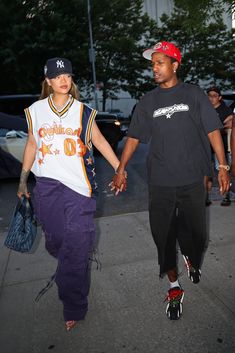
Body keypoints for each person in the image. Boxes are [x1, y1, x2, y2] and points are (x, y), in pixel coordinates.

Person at [111, 41, 230, 320]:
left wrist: (222, 165)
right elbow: (134, 137)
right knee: (163, 237)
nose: (154, 68)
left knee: (197, 236)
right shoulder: (148, 101)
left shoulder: (194, 94)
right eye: (152, 63)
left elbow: (214, 129)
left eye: (160, 62)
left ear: (175, 65)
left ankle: (190, 255)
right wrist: (120, 168)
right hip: (161, 181)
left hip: (191, 179)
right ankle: (174, 286)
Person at [17, 57, 125, 331]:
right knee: (57, 241)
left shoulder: (84, 111)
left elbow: (99, 141)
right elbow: (31, 143)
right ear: (48, 81)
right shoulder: (36, 110)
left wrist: (119, 168)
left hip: (80, 188)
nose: (64, 80)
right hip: (48, 187)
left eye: (67, 75)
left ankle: (73, 305)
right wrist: (22, 180)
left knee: (76, 246)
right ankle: (69, 258)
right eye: (57, 76)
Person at [206, 86, 233, 206]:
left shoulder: (226, 110)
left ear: (220, 97)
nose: (211, 98)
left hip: (220, 146)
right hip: (206, 145)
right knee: (205, 172)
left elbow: (229, 126)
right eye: (209, 96)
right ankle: (205, 197)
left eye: (214, 96)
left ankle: (226, 196)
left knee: (222, 170)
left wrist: (216, 129)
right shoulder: (204, 110)